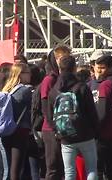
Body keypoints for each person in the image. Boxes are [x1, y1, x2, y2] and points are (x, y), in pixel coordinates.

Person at [47, 56, 99, 180]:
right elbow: (91, 112)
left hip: (65, 137)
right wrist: (94, 131)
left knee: (69, 172)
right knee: (91, 169)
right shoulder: (82, 87)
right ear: (74, 69)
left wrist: (57, 131)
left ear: (59, 69)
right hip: (85, 134)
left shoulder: (54, 91)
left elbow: (49, 115)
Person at [89, 55, 112, 180]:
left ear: (111, 68)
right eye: (98, 68)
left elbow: (101, 112)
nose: (99, 71)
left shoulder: (105, 85)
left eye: (102, 68)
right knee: (111, 168)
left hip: (103, 133)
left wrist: (94, 129)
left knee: (98, 168)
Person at [41, 46, 70, 180]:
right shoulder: (49, 79)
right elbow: (45, 105)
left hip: (65, 127)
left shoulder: (66, 78)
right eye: (62, 58)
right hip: (51, 128)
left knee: (64, 167)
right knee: (53, 167)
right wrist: (54, 127)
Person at [1, 63, 32, 180]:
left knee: (9, 167)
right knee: (17, 168)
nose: (30, 75)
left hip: (6, 130)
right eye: (27, 72)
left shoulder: (7, 89)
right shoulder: (25, 91)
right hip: (20, 132)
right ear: (20, 74)